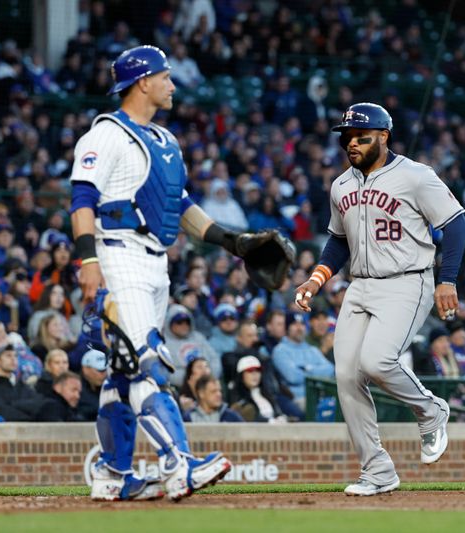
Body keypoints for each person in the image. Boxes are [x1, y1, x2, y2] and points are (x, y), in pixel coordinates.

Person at [69, 45, 275, 501]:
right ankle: (178, 465)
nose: (172, 84)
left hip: (156, 262)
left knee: (123, 374)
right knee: (146, 363)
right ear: (143, 81)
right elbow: (82, 201)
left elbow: (178, 206)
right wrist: (87, 262)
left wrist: (232, 241)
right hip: (117, 254)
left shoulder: (164, 141)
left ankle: (113, 474)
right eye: (165, 76)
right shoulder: (105, 134)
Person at [294, 103, 465, 496]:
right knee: (346, 375)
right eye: (347, 137)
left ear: (384, 137)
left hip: (408, 281)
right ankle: (378, 471)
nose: (351, 143)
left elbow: (455, 223)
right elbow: (339, 241)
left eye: (361, 136)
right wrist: (317, 279)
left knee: (376, 361)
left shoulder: (415, 176)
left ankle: (431, 410)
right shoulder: (340, 185)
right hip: (361, 285)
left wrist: (448, 279)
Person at [272, 311, 335, 410]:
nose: (299, 328)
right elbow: (293, 376)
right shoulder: (280, 350)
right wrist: (317, 371)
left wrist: (306, 369)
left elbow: (330, 369)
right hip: (298, 398)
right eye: (294, 324)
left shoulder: (312, 350)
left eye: (302, 324)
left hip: (322, 396)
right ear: (287, 328)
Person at [0, 344, 54, 422]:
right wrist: (31, 417)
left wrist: (14, 404)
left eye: (15, 356)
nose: (13, 359)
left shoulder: (22, 385)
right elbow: (2, 412)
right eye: (8, 356)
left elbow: (39, 404)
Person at [229, 355, 286, 423]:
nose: (255, 374)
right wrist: (269, 421)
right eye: (250, 371)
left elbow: (277, 412)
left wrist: (281, 417)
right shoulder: (237, 396)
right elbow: (248, 417)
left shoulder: (266, 393)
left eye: (258, 370)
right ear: (241, 375)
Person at [77, 348, 106, 421]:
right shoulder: (75, 389)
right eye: (100, 370)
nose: (104, 374)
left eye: (106, 370)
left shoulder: (112, 388)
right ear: (85, 369)